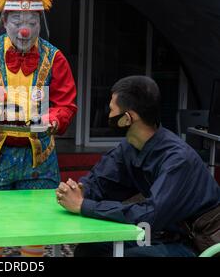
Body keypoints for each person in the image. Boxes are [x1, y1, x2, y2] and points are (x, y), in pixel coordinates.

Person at [0, 0, 77, 257]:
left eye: (32, 24)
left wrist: (54, 118)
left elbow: (66, 101)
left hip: (39, 157)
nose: (24, 31)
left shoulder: (55, 57)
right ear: (4, 22)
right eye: (16, 23)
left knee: (35, 228)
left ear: (41, 23)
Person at [56, 75, 220, 257]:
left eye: (111, 110)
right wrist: (79, 190)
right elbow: (101, 180)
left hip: (196, 243)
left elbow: (150, 216)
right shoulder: (131, 147)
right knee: (90, 249)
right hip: (165, 233)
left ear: (127, 118)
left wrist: (83, 205)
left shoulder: (177, 159)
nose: (108, 116)